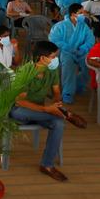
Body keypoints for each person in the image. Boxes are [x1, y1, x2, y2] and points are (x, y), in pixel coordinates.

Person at [10, 41, 67, 181]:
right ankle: (66, 115)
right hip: (20, 112)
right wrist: (47, 109)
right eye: (53, 57)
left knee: (59, 123)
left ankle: (47, 165)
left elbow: (56, 91)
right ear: (42, 58)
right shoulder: (26, 71)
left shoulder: (51, 71)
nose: (56, 60)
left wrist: (57, 101)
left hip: (40, 113)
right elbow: (19, 102)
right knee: (56, 117)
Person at [49, 3, 94, 104]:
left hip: (81, 51)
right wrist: (68, 48)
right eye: (81, 13)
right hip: (65, 52)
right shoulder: (60, 26)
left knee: (89, 64)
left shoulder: (84, 26)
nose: (84, 15)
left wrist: (83, 49)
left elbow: (90, 40)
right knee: (69, 66)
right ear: (73, 14)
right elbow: (54, 39)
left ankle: (79, 84)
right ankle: (67, 93)